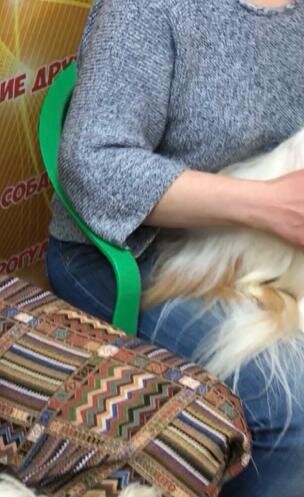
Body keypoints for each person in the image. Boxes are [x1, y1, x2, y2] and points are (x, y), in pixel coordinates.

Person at [44, 0, 304, 494]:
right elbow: (93, 164)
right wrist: (267, 206)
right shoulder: (147, 10)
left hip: (265, 250)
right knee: (293, 412)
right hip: (131, 252)